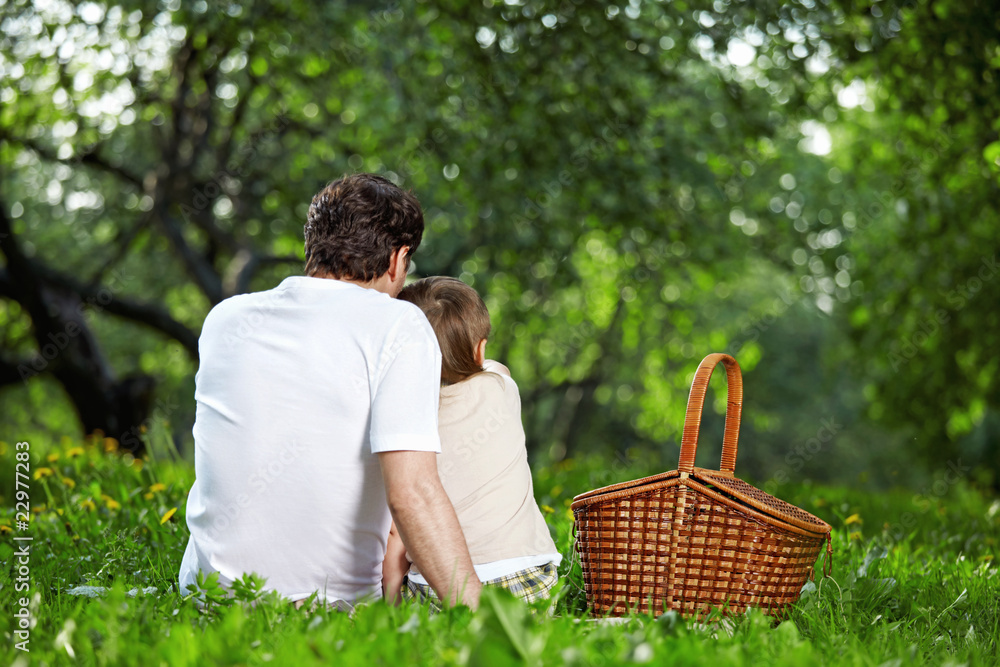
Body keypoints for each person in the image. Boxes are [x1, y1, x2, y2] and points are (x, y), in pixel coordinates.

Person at [179, 174, 481, 610]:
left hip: (207, 600)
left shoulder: (225, 319)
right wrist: (485, 616)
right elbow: (411, 492)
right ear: (398, 260)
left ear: (313, 247)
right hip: (329, 610)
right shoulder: (400, 325)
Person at [382, 276, 561, 608]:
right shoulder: (501, 388)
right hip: (529, 581)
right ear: (480, 348)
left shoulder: (405, 418)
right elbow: (496, 367)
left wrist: (392, 597)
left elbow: (397, 533)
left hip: (437, 589)